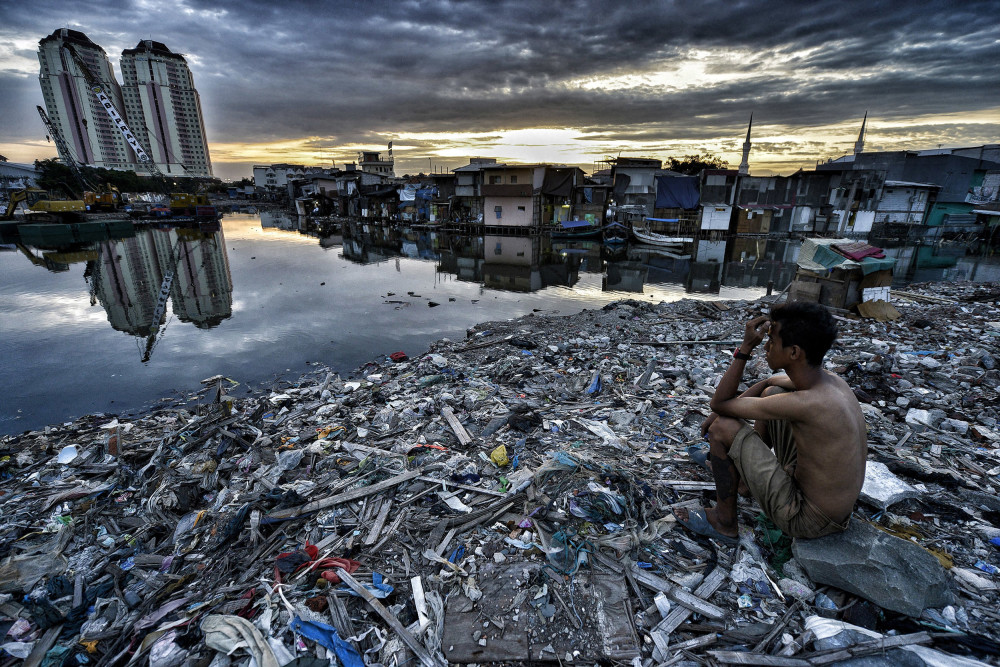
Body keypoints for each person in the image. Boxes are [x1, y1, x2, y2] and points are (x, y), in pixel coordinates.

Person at [676, 301, 867, 543]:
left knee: (722, 428)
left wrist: (745, 348)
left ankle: (724, 522)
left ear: (794, 352)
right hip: (828, 504)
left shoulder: (809, 403)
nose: (766, 346)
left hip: (807, 517)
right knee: (773, 393)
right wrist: (721, 410)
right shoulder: (830, 382)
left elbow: (720, 403)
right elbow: (768, 383)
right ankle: (744, 483)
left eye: (772, 342)